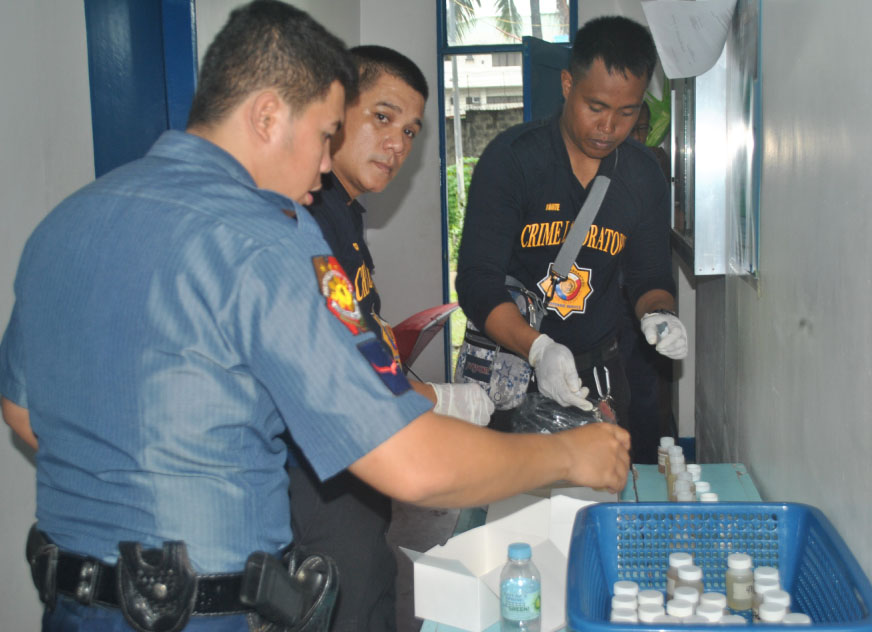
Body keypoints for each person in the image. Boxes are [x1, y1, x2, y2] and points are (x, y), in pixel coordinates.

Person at [0, 2, 631, 630]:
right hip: (203, 612)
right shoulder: (276, 239)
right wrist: (571, 456)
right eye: (325, 132)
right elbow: (407, 460)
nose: (326, 164)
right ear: (269, 116)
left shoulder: (63, 226)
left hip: (71, 605)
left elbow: (26, 416)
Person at [291, 45, 492, 631]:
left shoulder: (344, 216)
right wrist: (442, 401)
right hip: (317, 485)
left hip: (355, 478)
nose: (399, 144)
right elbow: (346, 364)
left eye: (410, 130)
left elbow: (365, 336)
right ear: (334, 107)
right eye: (382, 117)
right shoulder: (310, 215)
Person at [455, 16, 689, 437]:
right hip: (514, 366)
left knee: (596, 494)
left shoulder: (641, 176)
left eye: (627, 111)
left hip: (597, 374)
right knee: (513, 498)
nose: (608, 127)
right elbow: (477, 281)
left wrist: (660, 314)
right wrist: (538, 348)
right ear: (567, 85)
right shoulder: (512, 161)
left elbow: (649, 277)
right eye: (595, 107)